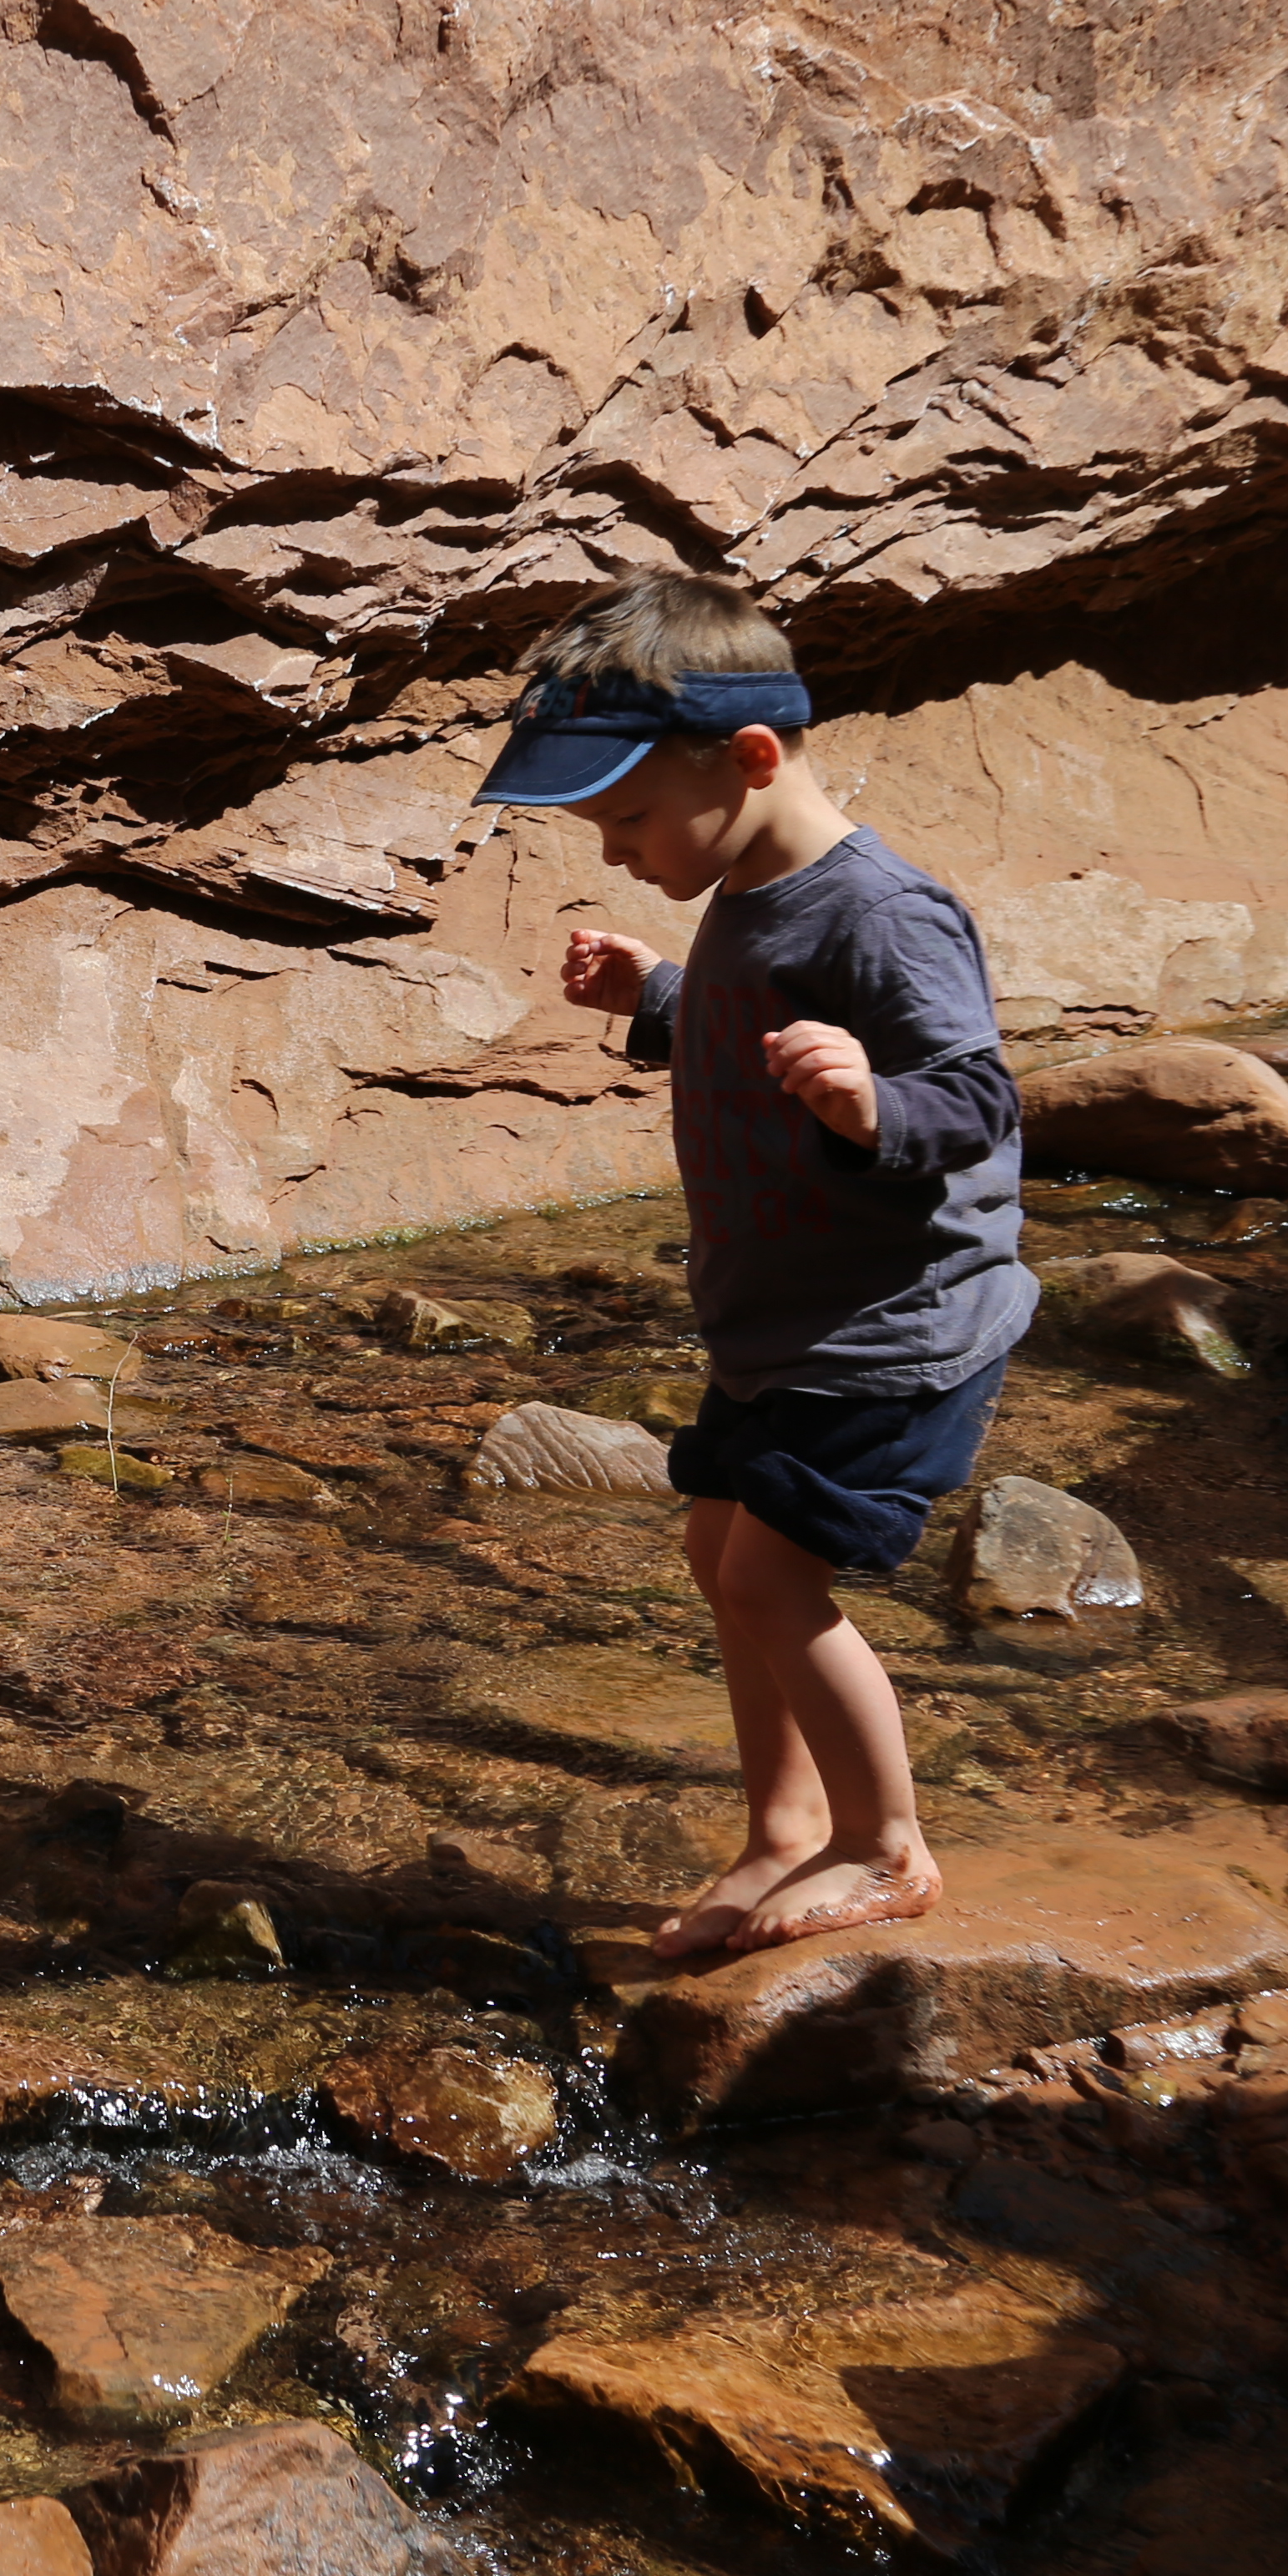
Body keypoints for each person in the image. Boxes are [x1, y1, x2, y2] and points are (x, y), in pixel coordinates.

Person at [482, 572, 1029, 1955]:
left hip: (890, 1330)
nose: (614, 852)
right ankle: (785, 1830)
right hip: (786, 1322)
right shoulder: (748, 883)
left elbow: (977, 1100)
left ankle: (885, 1848)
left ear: (751, 760)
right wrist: (660, 997)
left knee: (774, 1582)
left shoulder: (884, 913)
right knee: (719, 1545)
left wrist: (872, 1104)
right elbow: (752, 1030)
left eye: (627, 819)